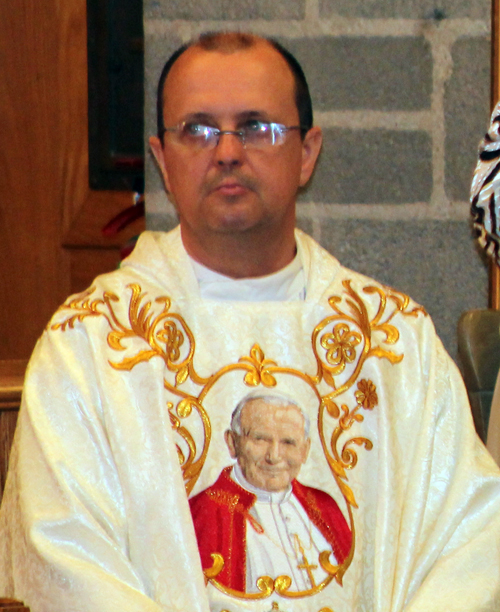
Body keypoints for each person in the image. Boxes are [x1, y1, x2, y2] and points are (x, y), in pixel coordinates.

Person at [1, 30, 500, 612]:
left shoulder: (391, 342)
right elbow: (66, 556)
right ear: (163, 158)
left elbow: (472, 540)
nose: (228, 152)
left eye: (258, 127)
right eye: (198, 129)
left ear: (308, 152)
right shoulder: (92, 345)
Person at [189, 393, 352, 593]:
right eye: (260, 439)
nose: (274, 456)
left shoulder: (324, 507)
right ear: (232, 443)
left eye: (288, 442)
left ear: (305, 449)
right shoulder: (202, 513)